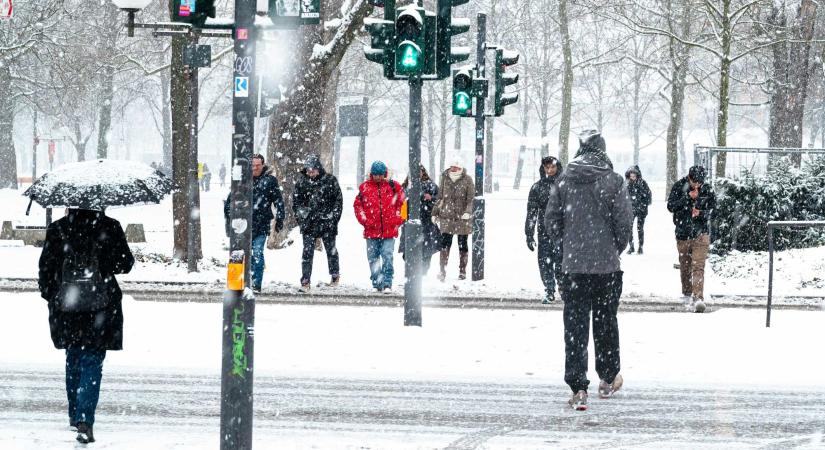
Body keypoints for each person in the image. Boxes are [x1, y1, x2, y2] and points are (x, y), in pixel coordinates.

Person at [545, 130, 633, 411]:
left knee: (575, 326)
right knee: (606, 322)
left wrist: (567, 246)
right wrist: (612, 248)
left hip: (574, 267)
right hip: (606, 267)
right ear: (602, 151)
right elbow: (624, 223)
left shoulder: (564, 181)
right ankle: (607, 379)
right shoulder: (614, 181)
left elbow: (552, 221)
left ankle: (578, 387)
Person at [38, 208, 135, 444]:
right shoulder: (109, 226)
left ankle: (75, 414)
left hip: (68, 307)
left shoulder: (59, 228)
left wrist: (53, 296)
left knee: (73, 358)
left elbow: (46, 269)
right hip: (100, 307)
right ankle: (84, 419)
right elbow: (125, 264)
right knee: (92, 360)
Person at [224, 154, 285, 292]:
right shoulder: (243, 180)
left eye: (258, 165)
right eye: (253, 165)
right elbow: (230, 199)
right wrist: (229, 215)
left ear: (263, 165)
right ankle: (243, 282)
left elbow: (278, 200)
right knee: (241, 254)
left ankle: (256, 283)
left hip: (261, 223)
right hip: (242, 224)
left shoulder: (270, 181)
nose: (255, 168)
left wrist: (280, 218)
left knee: (257, 252)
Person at [666, 165, 716, 313]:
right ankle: (687, 292)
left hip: (701, 233)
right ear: (689, 178)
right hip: (682, 233)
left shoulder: (707, 189)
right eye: (695, 182)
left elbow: (715, 211)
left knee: (698, 266)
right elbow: (671, 206)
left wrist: (701, 214)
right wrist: (687, 198)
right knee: (685, 265)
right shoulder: (679, 186)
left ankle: (698, 297)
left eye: (700, 182)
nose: (698, 185)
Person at [353, 161, 406, 293]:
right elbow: (358, 206)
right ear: (371, 174)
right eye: (375, 175)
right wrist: (365, 220)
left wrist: (397, 220)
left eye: (380, 174)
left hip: (389, 230)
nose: (378, 177)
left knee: (387, 256)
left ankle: (387, 282)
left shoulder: (394, 186)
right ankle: (377, 282)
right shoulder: (364, 188)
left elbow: (403, 204)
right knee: (373, 258)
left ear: (385, 174)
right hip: (371, 231)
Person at [293, 154, 343, 292]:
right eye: (308, 171)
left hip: (327, 222)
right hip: (309, 223)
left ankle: (334, 275)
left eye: (313, 170)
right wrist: (302, 218)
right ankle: (305, 280)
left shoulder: (330, 181)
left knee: (331, 250)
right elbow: (296, 203)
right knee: (307, 253)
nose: (311, 173)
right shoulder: (302, 182)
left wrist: (333, 218)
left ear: (319, 169)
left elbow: (338, 201)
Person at [525, 156, 564, 304]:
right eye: (547, 167)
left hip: (562, 231)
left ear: (557, 167)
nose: (550, 170)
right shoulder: (537, 187)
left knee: (561, 262)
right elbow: (531, 212)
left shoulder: (565, 185)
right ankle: (549, 289)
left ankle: (562, 287)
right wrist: (529, 233)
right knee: (544, 263)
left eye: (552, 167)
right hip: (544, 231)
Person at [433, 160, 474, 281]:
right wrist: (435, 212)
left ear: (460, 168)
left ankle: (462, 270)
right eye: (451, 167)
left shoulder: (467, 180)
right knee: (445, 244)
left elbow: (470, 199)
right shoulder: (445, 178)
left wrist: (468, 212)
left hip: (462, 219)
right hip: (447, 217)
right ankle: (442, 270)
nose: (453, 169)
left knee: (463, 245)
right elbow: (440, 198)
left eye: (455, 167)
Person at [399, 165, 441, 275]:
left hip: (427, 222)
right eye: (414, 172)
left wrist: (431, 199)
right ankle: (414, 271)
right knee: (408, 249)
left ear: (423, 172)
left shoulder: (431, 186)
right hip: (409, 223)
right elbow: (400, 202)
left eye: (419, 172)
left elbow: (439, 201)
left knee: (426, 249)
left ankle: (423, 272)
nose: (417, 174)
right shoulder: (405, 186)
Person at [624, 165, 652, 255]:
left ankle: (640, 247)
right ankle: (631, 246)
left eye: (634, 175)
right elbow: (623, 196)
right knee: (629, 228)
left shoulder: (643, 183)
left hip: (641, 209)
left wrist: (642, 203)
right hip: (630, 209)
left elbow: (648, 196)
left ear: (637, 175)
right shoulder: (626, 183)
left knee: (640, 228)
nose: (632, 177)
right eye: (631, 175)